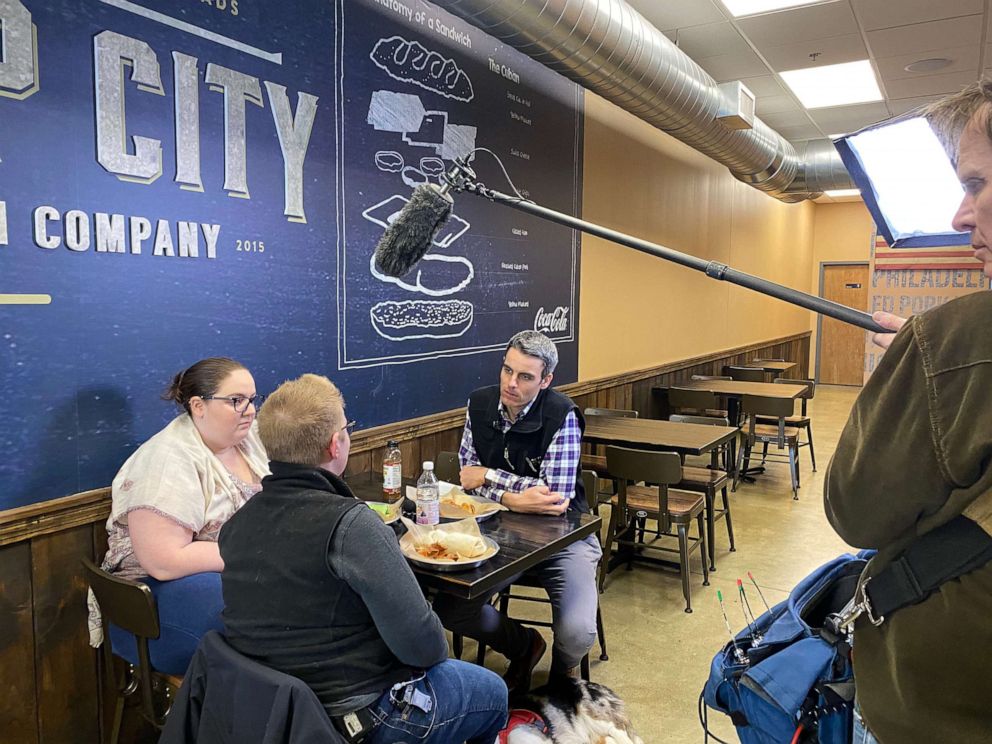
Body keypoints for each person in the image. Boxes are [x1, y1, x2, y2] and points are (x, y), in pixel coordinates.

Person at [825, 81, 992, 743]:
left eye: (977, 183)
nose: (960, 214)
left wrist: (920, 364)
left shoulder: (958, 340)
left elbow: (855, 509)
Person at [219, 373, 507, 744]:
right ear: (335, 445)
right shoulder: (353, 525)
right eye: (346, 427)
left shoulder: (237, 524)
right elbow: (426, 648)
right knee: (493, 691)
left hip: (272, 713)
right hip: (356, 717)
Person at [433, 330, 601, 695]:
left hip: (563, 535)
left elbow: (555, 498)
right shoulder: (479, 404)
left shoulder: (562, 415)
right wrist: (515, 498)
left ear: (546, 380)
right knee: (451, 606)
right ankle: (523, 647)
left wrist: (492, 478)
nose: (511, 383)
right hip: (500, 532)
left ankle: (562, 674)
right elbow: (465, 475)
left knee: (577, 631)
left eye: (525, 376)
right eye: (507, 370)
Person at [88, 356, 268, 675]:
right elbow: (165, 560)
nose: (250, 410)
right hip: (154, 603)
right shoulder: (165, 462)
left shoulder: (248, 439)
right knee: (270, 619)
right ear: (198, 406)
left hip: (229, 574)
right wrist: (258, 555)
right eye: (236, 401)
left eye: (252, 399)